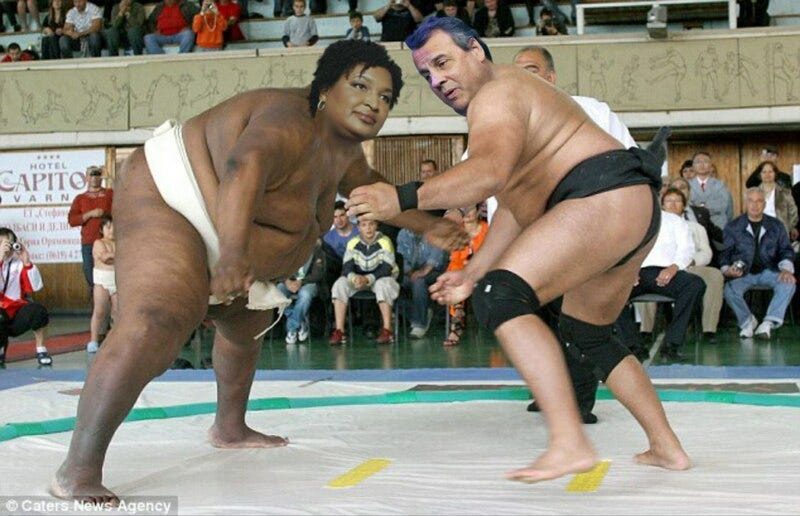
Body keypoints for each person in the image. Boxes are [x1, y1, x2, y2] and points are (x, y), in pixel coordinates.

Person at [52, 40, 466, 503]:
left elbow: (370, 189)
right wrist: (232, 255)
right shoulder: (289, 119)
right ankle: (77, 470)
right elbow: (243, 166)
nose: (374, 102)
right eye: (361, 87)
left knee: (245, 323)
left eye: (385, 97)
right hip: (174, 198)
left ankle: (229, 427)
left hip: (235, 233)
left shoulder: (344, 151)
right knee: (156, 321)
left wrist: (428, 225)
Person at [346, 17, 690, 483]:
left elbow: (487, 173)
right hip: (627, 206)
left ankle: (569, 441)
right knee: (588, 333)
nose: (437, 80)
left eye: (443, 63)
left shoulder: (497, 92)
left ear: (476, 51)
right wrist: (472, 274)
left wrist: (400, 197)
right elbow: (511, 206)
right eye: (427, 74)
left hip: (600, 197)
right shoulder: (509, 104)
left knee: (502, 295)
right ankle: (666, 446)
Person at [722, 187, 795, 340]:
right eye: (751, 201)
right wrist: (728, 270)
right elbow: (725, 254)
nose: (755, 205)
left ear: (764, 204)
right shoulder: (733, 226)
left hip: (770, 270)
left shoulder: (776, 225)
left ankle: (768, 322)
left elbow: (786, 250)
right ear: (745, 203)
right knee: (729, 291)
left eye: (759, 201)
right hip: (743, 273)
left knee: (788, 283)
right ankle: (748, 321)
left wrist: (786, 269)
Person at [329, 218, 400, 344]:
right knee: (340, 284)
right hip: (359, 279)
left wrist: (367, 279)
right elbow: (347, 267)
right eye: (364, 225)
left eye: (371, 224)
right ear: (359, 228)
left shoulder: (385, 241)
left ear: (376, 226)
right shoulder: (353, 242)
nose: (368, 228)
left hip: (381, 278)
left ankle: (387, 331)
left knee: (382, 285)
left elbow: (386, 269)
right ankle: (339, 331)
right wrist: (354, 278)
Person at [0, 228, 52, 367]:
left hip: (16, 312)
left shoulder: (18, 263)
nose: (5, 247)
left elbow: (36, 286)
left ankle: (41, 349)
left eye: (9, 242)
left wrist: (27, 262)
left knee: (38, 311)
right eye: (1, 243)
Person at [442, 204, 486, 347]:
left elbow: (491, 254)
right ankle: (457, 317)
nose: (466, 213)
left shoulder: (487, 229)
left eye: (470, 209)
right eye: (463, 210)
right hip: (462, 273)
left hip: (483, 270)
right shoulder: (458, 232)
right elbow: (455, 260)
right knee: (453, 277)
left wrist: (472, 264)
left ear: (478, 212)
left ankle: (457, 321)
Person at [67, 165, 113, 297]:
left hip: (108, 242)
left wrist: (109, 178)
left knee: (111, 277)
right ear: (86, 178)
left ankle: (112, 307)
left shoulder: (110, 193)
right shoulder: (80, 198)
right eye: (91, 174)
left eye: (97, 174)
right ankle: (96, 306)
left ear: (101, 176)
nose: (94, 177)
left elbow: (121, 205)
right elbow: (72, 220)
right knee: (91, 279)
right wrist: (90, 214)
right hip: (88, 243)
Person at [278, 239, 324, 344]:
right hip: (288, 282)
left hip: (308, 282)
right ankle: (301, 321)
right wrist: (286, 281)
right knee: (278, 292)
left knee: (305, 294)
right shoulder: (284, 248)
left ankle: (292, 329)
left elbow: (318, 274)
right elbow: (277, 270)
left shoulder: (315, 249)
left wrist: (301, 282)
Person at [86, 216, 116, 353]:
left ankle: (115, 340)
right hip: (102, 282)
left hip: (116, 281)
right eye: (108, 227)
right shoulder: (98, 243)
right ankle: (93, 340)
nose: (112, 230)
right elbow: (104, 258)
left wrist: (113, 256)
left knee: (117, 313)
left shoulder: (119, 243)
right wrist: (118, 255)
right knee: (99, 311)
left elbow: (113, 258)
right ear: (101, 230)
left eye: (114, 227)